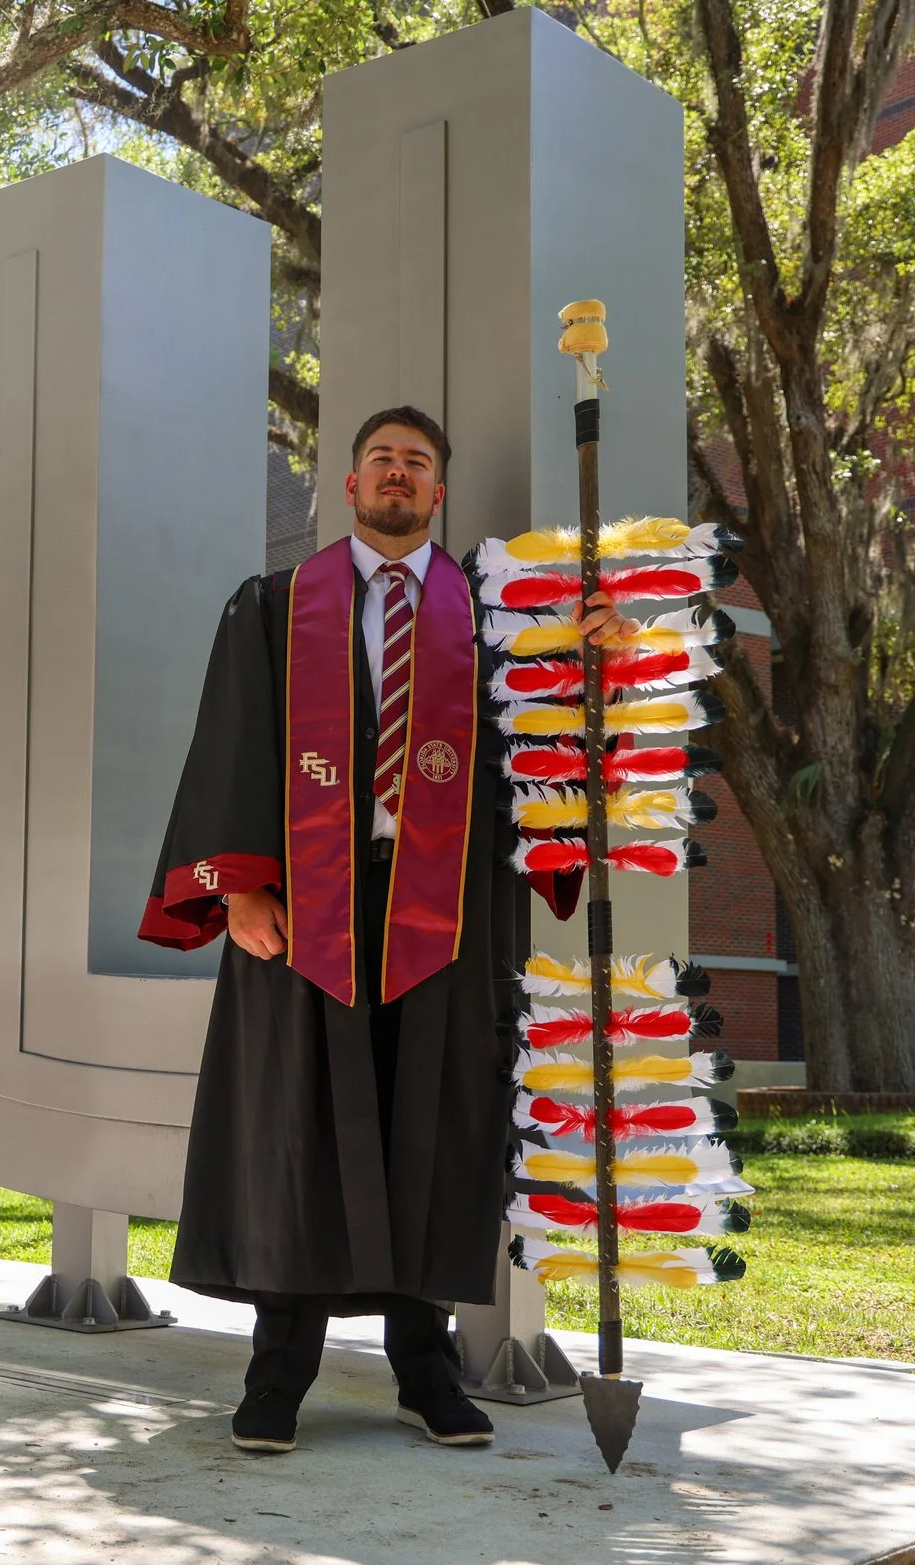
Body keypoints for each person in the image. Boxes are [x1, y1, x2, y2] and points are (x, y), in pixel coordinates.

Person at [138, 405, 629, 1454]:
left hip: (448, 911)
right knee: (296, 1132)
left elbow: (545, 761)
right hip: (305, 905)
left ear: (437, 492)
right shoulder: (276, 606)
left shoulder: (497, 627)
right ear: (351, 486)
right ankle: (278, 1375)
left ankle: (425, 1367)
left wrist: (585, 669)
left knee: (436, 1132)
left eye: (417, 462)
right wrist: (239, 890)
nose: (397, 473)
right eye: (380, 460)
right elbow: (230, 746)